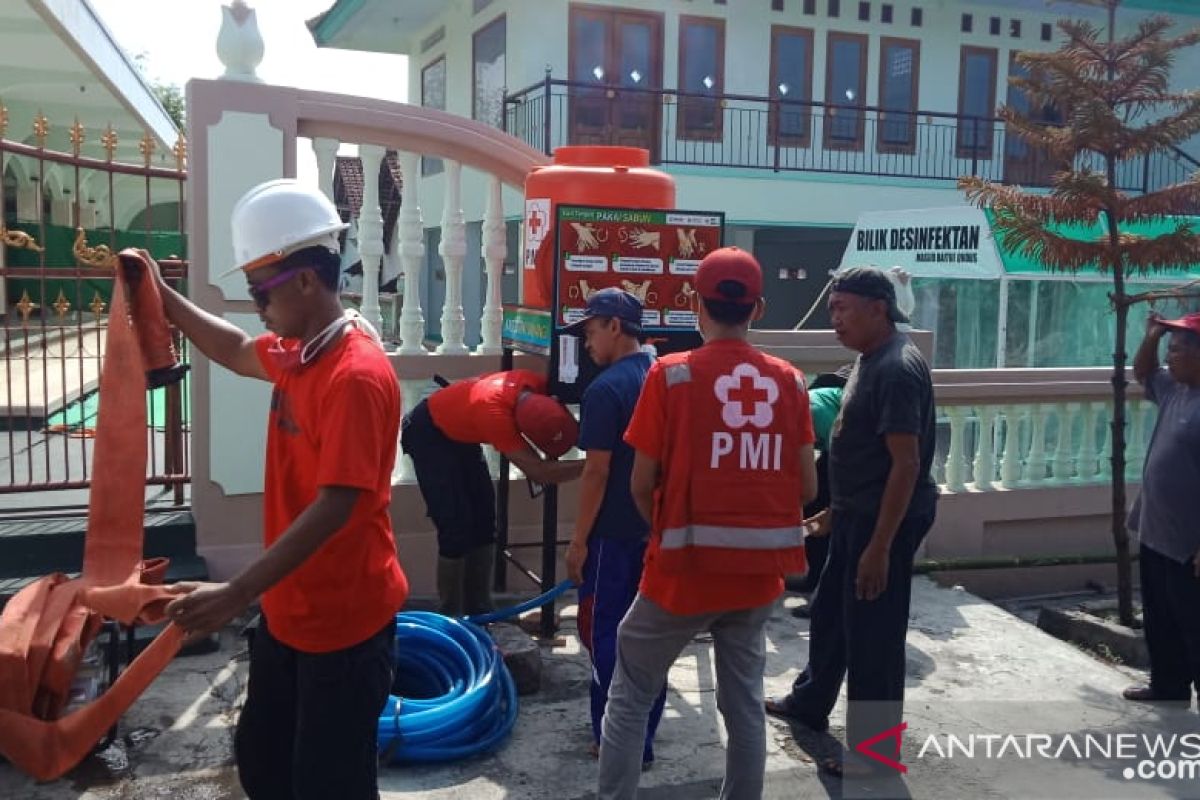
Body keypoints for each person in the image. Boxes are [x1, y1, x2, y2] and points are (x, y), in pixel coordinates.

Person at [158, 178, 408, 800]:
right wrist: (164, 301)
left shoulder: (353, 375)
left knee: (330, 785)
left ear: (304, 280)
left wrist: (235, 592)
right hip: (289, 614)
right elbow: (236, 348)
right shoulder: (301, 351)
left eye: (258, 290)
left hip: (344, 628)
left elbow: (337, 505)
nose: (254, 305)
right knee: (264, 763)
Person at [598, 247, 819, 800]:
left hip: (682, 573)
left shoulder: (671, 378)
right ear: (758, 308)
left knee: (630, 695)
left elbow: (638, 484)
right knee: (743, 703)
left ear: (698, 305)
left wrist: (667, 527)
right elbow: (808, 489)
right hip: (756, 579)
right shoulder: (790, 382)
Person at [766, 266, 937, 779]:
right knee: (829, 616)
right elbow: (861, 454)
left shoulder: (896, 369)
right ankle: (810, 701)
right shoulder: (868, 359)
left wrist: (879, 547)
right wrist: (834, 515)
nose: (834, 318)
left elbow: (904, 465)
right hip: (856, 515)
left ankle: (877, 752)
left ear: (878, 308)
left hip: (885, 520)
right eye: (832, 307)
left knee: (874, 637)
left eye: (843, 308)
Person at [562, 288, 664, 767]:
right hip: (659, 535)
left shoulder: (606, 390)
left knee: (605, 637)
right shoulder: (664, 376)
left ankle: (616, 740)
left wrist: (579, 542)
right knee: (649, 638)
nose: (586, 342)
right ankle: (644, 733)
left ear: (615, 327)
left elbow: (596, 473)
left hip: (613, 540)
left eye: (590, 330)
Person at [402, 369, 583, 616]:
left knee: (485, 519)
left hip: (462, 431)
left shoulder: (533, 382)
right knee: (456, 525)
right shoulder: (496, 416)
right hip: (429, 432)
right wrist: (592, 466)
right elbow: (540, 472)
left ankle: (481, 610)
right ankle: (452, 617)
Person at [1123, 310, 1200, 706]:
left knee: (1193, 624)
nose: (1171, 357)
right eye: (1170, 349)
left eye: (1179, 349)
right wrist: (1152, 336)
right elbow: (1142, 371)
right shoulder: (1174, 388)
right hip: (1157, 530)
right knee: (1160, 617)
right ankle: (1168, 685)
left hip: (1189, 543)